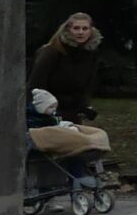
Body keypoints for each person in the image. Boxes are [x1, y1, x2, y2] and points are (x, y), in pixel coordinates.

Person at [29, 13, 112, 155]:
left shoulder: (91, 53)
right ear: (68, 30)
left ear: (91, 30)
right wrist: (43, 110)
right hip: (48, 110)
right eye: (76, 28)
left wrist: (86, 105)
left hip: (72, 109)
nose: (80, 32)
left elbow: (87, 84)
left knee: (77, 148)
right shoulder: (52, 51)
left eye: (85, 28)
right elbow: (36, 83)